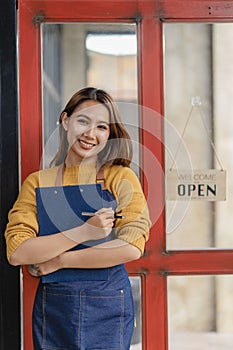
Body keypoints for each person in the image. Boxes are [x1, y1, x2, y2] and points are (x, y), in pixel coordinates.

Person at [5, 87, 151, 350]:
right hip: (55, 308)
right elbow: (18, 252)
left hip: (109, 305)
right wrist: (83, 232)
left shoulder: (120, 177)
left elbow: (131, 247)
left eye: (102, 127)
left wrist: (59, 260)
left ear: (109, 134)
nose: (90, 134)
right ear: (65, 121)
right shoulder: (39, 182)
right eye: (83, 121)